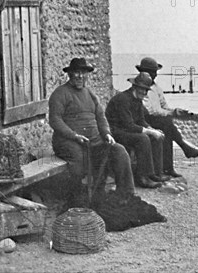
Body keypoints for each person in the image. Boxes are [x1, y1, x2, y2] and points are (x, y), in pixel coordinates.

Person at [49, 58, 136, 203]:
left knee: (119, 151)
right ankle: (77, 198)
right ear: (69, 74)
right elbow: (55, 120)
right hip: (68, 141)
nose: (80, 76)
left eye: (83, 73)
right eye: (76, 72)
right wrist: (74, 136)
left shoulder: (90, 94)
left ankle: (125, 195)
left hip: (93, 140)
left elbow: (100, 117)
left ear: (87, 75)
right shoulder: (60, 93)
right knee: (79, 162)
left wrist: (107, 134)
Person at [135, 57, 198, 178]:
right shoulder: (141, 87)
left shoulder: (156, 88)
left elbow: (164, 106)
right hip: (144, 119)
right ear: (144, 72)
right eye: (152, 72)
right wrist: (171, 113)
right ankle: (182, 147)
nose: (155, 75)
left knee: (167, 126)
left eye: (155, 72)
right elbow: (151, 110)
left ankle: (169, 167)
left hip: (156, 119)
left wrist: (174, 111)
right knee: (166, 123)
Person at [106, 72, 171, 188]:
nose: (145, 93)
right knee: (143, 139)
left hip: (127, 130)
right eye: (142, 89)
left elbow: (141, 121)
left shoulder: (138, 100)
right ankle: (142, 177)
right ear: (134, 87)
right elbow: (128, 125)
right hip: (116, 132)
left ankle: (155, 173)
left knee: (157, 136)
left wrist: (152, 129)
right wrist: (150, 132)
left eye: (146, 90)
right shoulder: (122, 99)